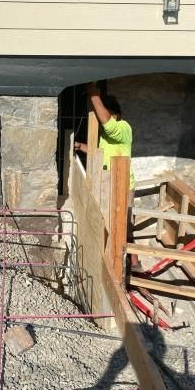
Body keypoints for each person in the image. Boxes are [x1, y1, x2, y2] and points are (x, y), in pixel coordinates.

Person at [74, 82, 141, 271]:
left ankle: (133, 262)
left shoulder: (123, 128)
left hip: (123, 185)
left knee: (124, 224)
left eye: (107, 115)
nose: (103, 122)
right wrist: (80, 146)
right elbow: (100, 153)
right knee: (113, 222)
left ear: (116, 115)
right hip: (108, 183)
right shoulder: (106, 136)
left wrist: (93, 94)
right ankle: (115, 257)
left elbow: (108, 124)